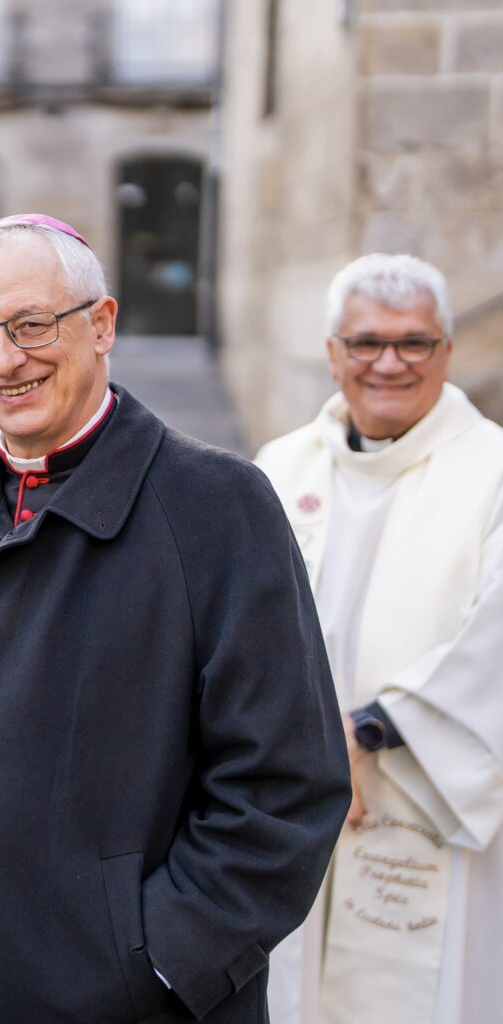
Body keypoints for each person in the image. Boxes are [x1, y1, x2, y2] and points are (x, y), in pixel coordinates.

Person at [0, 214, 351, 1023]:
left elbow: (284, 786)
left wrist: (155, 964)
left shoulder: (219, 507)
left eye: (30, 325)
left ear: (101, 325)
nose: (4, 361)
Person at [256, 254, 503, 1024]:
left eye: (413, 343)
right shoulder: (278, 467)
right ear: (332, 354)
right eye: (365, 343)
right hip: (290, 796)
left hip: (430, 795)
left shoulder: (493, 469)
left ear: (446, 353)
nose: (387, 363)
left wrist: (367, 731)